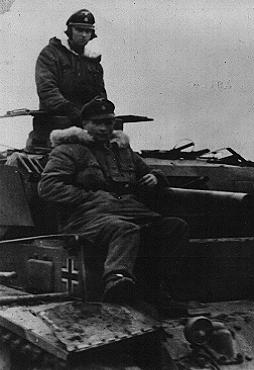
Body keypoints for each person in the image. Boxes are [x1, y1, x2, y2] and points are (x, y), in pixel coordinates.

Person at [38, 97, 188, 308]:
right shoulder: (69, 151)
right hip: (84, 218)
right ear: (85, 124)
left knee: (174, 227)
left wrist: (155, 177)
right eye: (97, 122)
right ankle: (116, 281)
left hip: (128, 212)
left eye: (108, 122)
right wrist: (90, 197)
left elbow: (147, 172)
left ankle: (158, 289)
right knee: (125, 230)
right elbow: (49, 187)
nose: (103, 128)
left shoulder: (122, 150)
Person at [28, 9, 107, 150]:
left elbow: (100, 94)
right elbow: (47, 89)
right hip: (55, 128)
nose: (84, 35)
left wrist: (100, 112)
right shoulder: (50, 54)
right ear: (70, 31)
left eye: (88, 31)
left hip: (87, 128)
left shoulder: (93, 62)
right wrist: (70, 109)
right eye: (79, 30)